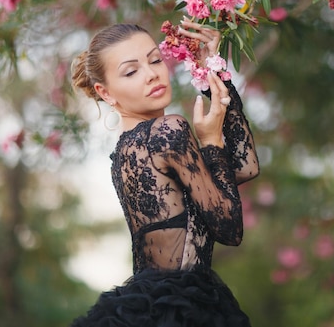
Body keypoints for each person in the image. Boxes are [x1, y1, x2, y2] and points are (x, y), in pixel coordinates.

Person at [70, 18, 259, 327]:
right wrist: (210, 140)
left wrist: (212, 71)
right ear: (106, 93)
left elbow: (243, 166)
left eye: (155, 60)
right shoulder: (167, 131)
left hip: (153, 307)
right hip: (180, 310)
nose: (152, 74)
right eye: (131, 71)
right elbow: (230, 230)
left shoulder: (126, 151)